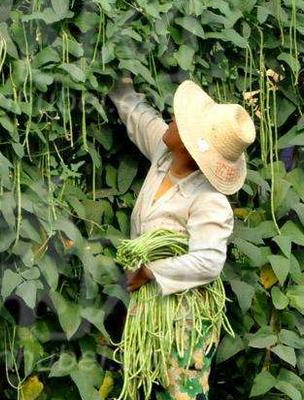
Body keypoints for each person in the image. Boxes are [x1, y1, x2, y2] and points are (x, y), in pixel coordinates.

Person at [108, 76, 256, 399]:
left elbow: (210, 261)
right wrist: (116, 83)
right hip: (149, 311)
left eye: (179, 121)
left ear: (189, 144)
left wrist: (150, 271)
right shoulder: (165, 156)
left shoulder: (209, 199)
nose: (171, 120)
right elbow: (138, 115)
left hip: (184, 322)